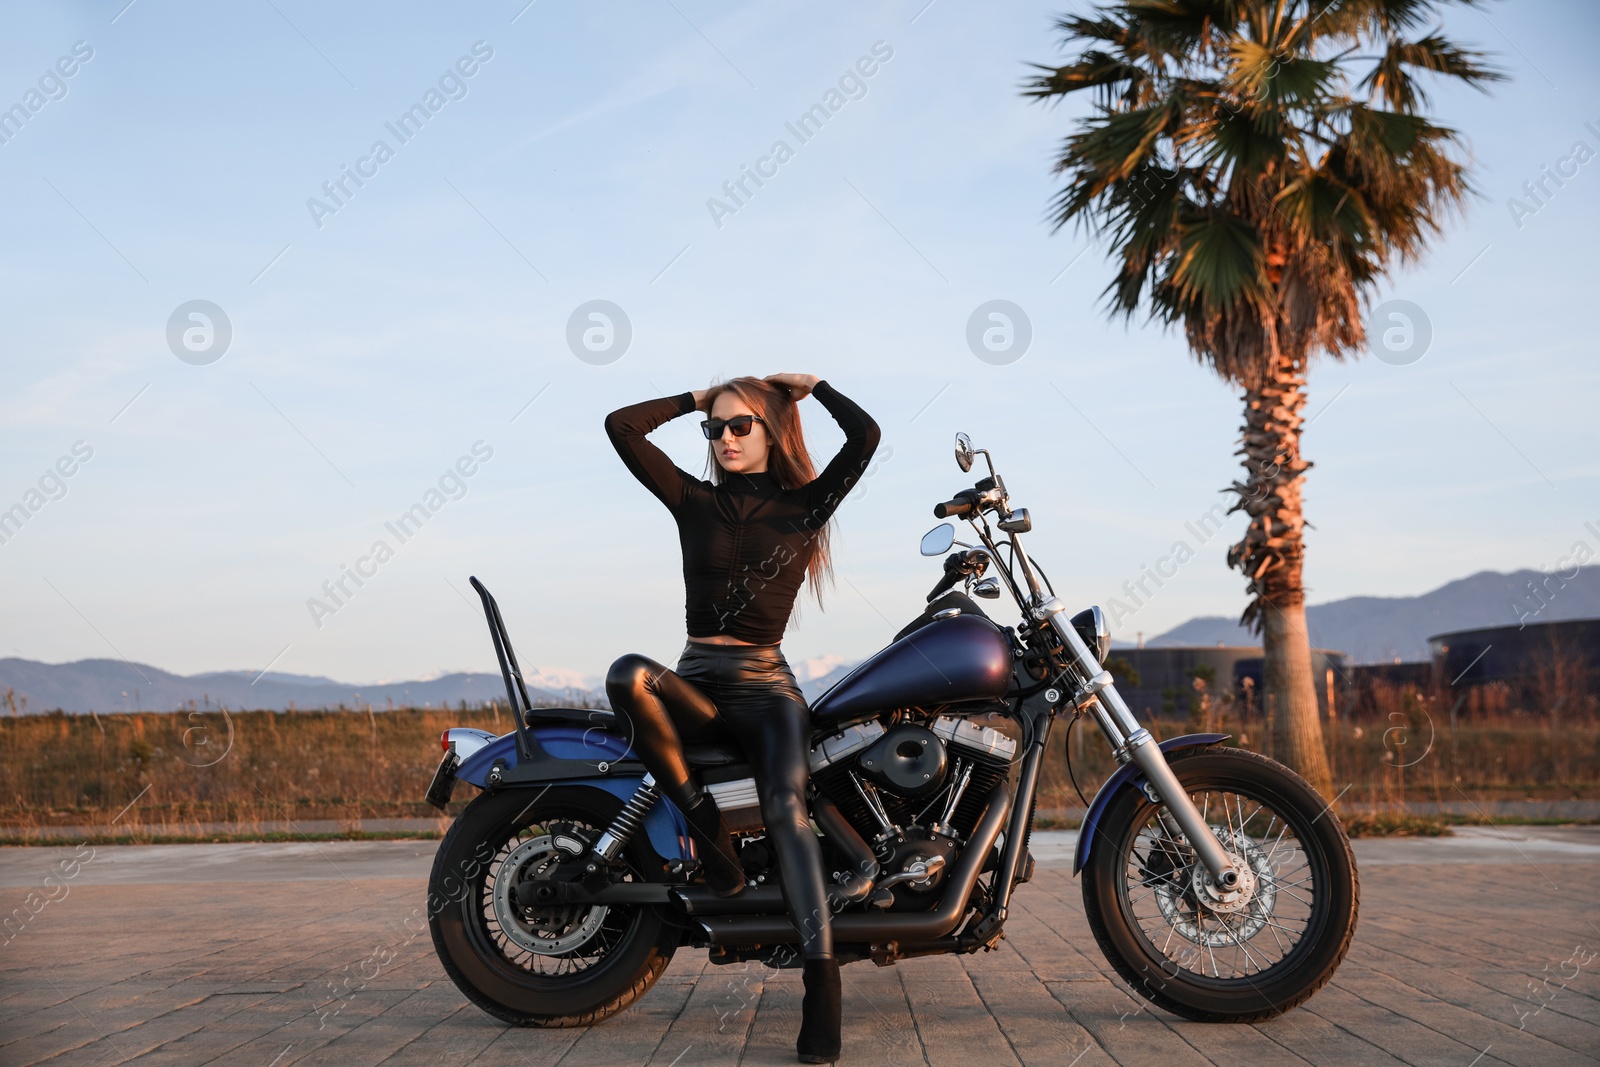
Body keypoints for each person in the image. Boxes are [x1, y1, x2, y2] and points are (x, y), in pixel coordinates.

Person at [603, 372, 879, 1065]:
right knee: (626, 672)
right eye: (715, 428)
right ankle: (712, 838)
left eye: (739, 425)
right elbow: (621, 425)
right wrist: (697, 397)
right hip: (694, 682)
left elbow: (867, 436)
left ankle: (823, 988)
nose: (724, 437)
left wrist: (815, 388)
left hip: (765, 688)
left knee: (789, 807)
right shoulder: (690, 499)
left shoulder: (805, 506)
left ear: (771, 431)